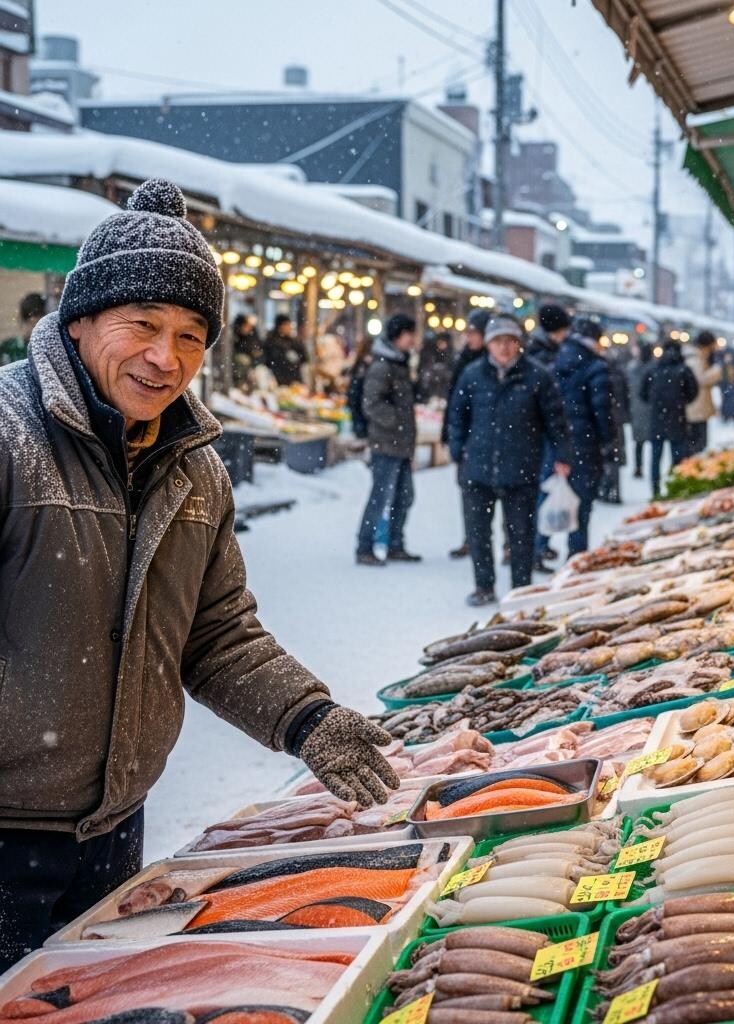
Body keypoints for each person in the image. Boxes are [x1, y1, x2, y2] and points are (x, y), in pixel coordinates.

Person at [0, 179, 399, 971]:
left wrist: (308, 718)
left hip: (113, 832)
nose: (165, 357)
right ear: (79, 320)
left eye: (190, 336)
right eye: (142, 325)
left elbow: (217, 634)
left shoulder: (197, 473)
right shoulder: (11, 440)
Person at [447, 315, 571, 606]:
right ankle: (483, 586)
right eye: (497, 341)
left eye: (509, 341)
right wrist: (458, 451)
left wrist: (562, 454)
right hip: (478, 467)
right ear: (488, 344)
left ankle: (521, 588)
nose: (503, 347)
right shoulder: (473, 374)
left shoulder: (537, 377)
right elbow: (457, 416)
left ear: (518, 344)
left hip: (521, 467)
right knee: (478, 533)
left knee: (521, 534)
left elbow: (556, 420)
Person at [355, 313, 421, 566]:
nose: (413, 339)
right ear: (398, 335)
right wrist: (398, 421)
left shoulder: (400, 363)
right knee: (380, 497)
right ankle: (364, 547)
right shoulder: (383, 366)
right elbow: (371, 404)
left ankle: (395, 544)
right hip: (386, 443)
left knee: (404, 496)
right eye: (410, 334)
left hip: (401, 443)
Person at [551, 316, 615, 556]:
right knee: (583, 503)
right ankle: (576, 555)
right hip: (586, 442)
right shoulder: (596, 366)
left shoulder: (557, 360)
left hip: (560, 441)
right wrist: (608, 441)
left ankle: (541, 548)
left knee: (557, 494)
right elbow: (603, 410)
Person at [527, 303, 572, 567]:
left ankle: (537, 546)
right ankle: (535, 547)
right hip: (540, 434)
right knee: (542, 490)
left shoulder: (539, 352)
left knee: (542, 489)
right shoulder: (545, 357)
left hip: (539, 432)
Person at [444, 309, 490, 560]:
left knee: (501, 492)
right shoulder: (464, 361)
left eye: (473, 333)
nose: (468, 337)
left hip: (491, 436)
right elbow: (455, 403)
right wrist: (451, 437)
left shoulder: (491, 364)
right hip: (469, 440)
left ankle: (505, 542)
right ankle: (471, 538)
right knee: (469, 493)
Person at [642, 335, 699, 497]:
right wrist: (681, 402)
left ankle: (656, 491)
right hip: (678, 419)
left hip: (656, 420)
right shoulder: (683, 370)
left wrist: (656, 404)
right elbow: (693, 392)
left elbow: (642, 394)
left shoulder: (652, 369)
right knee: (679, 458)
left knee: (655, 459)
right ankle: (676, 489)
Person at [684, 330, 722, 458]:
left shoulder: (697, 357)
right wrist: (716, 371)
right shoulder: (695, 359)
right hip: (696, 408)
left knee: (699, 443)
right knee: (698, 445)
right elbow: (700, 379)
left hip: (698, 408)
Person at [598, 355, 630, 504]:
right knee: (615, 458)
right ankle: (615, 491)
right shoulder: (619, 375)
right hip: (617, 420)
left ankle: (605, 489)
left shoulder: (600, 377)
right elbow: (626, 397)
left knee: (606, 458)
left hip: (605, 422)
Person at [627, 345, 653, 479]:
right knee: (654, 442)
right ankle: (654, 469)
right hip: (652, 409)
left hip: (636, 408)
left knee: (638, 442)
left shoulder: (631, 369)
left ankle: (638, 466)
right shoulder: (654, 369)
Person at [0, 292, 45, 366]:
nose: (34, 329)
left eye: (38, 324)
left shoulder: (44, 349)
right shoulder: (7, 348)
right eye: (32, 323)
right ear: (22, 321)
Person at [263, 313, 308, 387]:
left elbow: (304, 357)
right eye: (287, 325)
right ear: (280, 326)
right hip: (280, 378)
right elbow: (273, 361)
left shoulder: (292, 341)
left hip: (295, 378)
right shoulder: (272, 342)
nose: (289, 328)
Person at [526, 302, 572, 369]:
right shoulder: (538, 351)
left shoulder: (553, 346)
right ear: (554, 331)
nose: (566, 334)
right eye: (563, 330)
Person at [230, 312, 262, 388]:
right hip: (237, 372)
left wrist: (254, 366)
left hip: (251, 369)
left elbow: (258, 352)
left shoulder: (251, 337)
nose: (248, 328)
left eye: (250, 326)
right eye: (246, 326)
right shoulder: (234, 337)